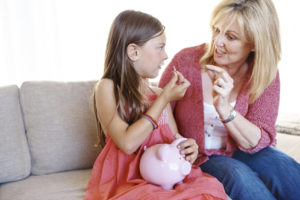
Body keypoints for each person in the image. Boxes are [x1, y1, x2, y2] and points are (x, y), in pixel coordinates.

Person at [159, 0, 300, 199]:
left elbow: (261, 138)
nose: (218, 42)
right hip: (201, 157)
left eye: (231, 37)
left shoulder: (264, 73)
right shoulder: (185, 62)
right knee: (238, 176)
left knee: (287, 170)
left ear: (254, 44)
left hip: (246, 151)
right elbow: (159, 106)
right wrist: (179, 142)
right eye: (216, 30)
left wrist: (225, 110)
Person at [84, 10, 227, 200]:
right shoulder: (108, 87)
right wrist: (164, 99)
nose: (166, 55)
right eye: (160, 47)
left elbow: (174, 139)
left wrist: (187, 147)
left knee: (212, 190)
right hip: (131, 179)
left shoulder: (158, 94)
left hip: (168, 177)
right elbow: (127, 143)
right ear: (134, 52)